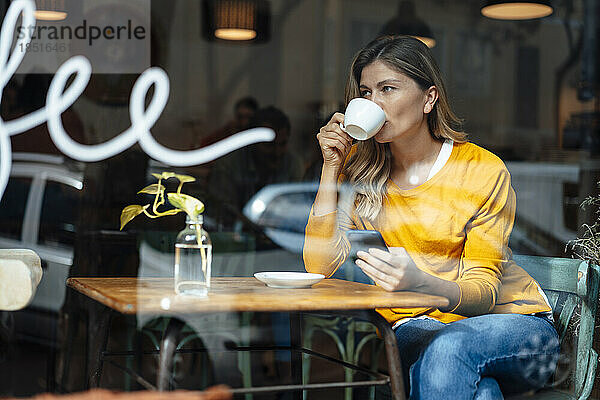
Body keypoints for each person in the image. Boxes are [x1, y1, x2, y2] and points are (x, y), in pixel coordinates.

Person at [303, 35, 559, 399]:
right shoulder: (362, 177)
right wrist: (331, 168)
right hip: (417, 326)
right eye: (366, 92)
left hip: (514, 328)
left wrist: (420, 284)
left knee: (449, 350)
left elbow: (485, 294)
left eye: (387, 88)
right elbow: (319, 264)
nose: (373, 102)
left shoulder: (480, 170)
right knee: (478, 390)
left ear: (429, 98)